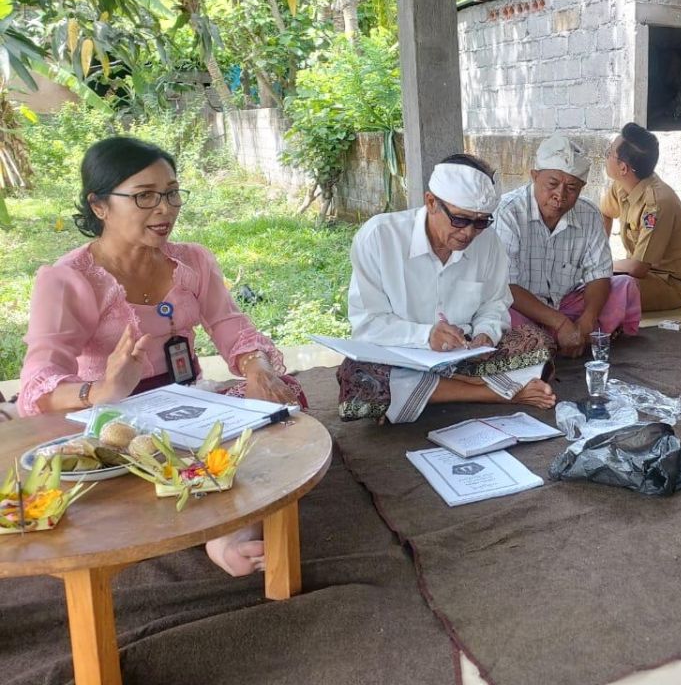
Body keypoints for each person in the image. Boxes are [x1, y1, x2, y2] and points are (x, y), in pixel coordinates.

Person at [19, 136, 305, 576]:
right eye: (145, 196)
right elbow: (38, 384)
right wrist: (102, 390)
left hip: (186, 399)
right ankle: (225, 530)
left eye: (171, 193)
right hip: (111, 417)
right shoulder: (69, 280)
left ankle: (222, 515)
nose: (165, 209)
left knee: (284, 406)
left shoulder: (192, 261)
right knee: (141, 453)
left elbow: (229, 324)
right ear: (99, 206)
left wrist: (257, 366)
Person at [336, 154, 556, 424]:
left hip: (465, 356)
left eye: (481, 222)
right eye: (461, 220)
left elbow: (494, 304)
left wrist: (485, 334)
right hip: (401, 355)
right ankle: (494, 392)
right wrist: (425, 336)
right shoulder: (380, 237)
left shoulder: (488, 243)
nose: (468, 233)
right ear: (431, 202)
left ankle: (429, 391)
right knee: (357, 373)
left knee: (537, 343)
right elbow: (367, 324)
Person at [495, 135, 641, 357]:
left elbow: (599, 275)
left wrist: (585, 322)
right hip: (523, 309)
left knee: (624, 286)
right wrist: (561, 324)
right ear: (534, 176)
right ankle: (559, 339)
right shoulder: (508, 213)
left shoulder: (589, 214)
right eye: (552, 184)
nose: (560, 195)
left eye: (572, 188)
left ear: (582, 187)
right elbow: (507, 287)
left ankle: (565, 339)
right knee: (498, 315)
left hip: (568, 304)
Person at [599, 123, 681, 312]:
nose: (605, 156)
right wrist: (597, 256)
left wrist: (600, 266)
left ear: (623, 167)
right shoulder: (622, 186)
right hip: (637, 276)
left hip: (669, 284)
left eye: (609, 152)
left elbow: (638, 268)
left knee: (599, 289)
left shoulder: (657, 203)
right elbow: (605, 213)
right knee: (589, 283)